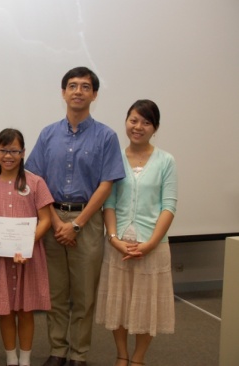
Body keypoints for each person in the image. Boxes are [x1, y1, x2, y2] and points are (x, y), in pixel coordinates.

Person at [25, 67, 126, 366]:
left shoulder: (106, 136)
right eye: (72, 86)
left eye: (85, 87)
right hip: (52, 218)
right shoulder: (48, 134)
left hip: (89, 220)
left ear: (94, 94)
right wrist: (57, 223)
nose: (78, 91)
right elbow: (36, 179)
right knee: (55, 293)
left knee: (83, 296)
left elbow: (107, 184)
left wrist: (78, 224)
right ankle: (58, 351)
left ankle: (79, 354)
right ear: (63, 92)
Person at [95, 100, 177, 366]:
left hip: (152, 247)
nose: (138, 127)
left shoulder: (166, 161)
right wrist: (114, 238)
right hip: (118, 245)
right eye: (133, 120)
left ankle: (138, 358)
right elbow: (108, 202)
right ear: (126, 121)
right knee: (117, 304)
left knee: (145, 305)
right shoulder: (115, 158)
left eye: (145, 122)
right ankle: (122, 354)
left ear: (155, 127)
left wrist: (151, 244)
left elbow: (169, 205)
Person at [0, 128, 53, 366]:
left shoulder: (35, 182)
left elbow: (46, 219)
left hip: (28, 259)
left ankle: (25, 360)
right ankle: (11, 359)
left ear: (23, 152)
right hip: (0, 260)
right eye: (3, 150)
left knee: (26, 310)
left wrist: (27, 243)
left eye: (13, 150)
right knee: (5, 310)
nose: (8, 155)